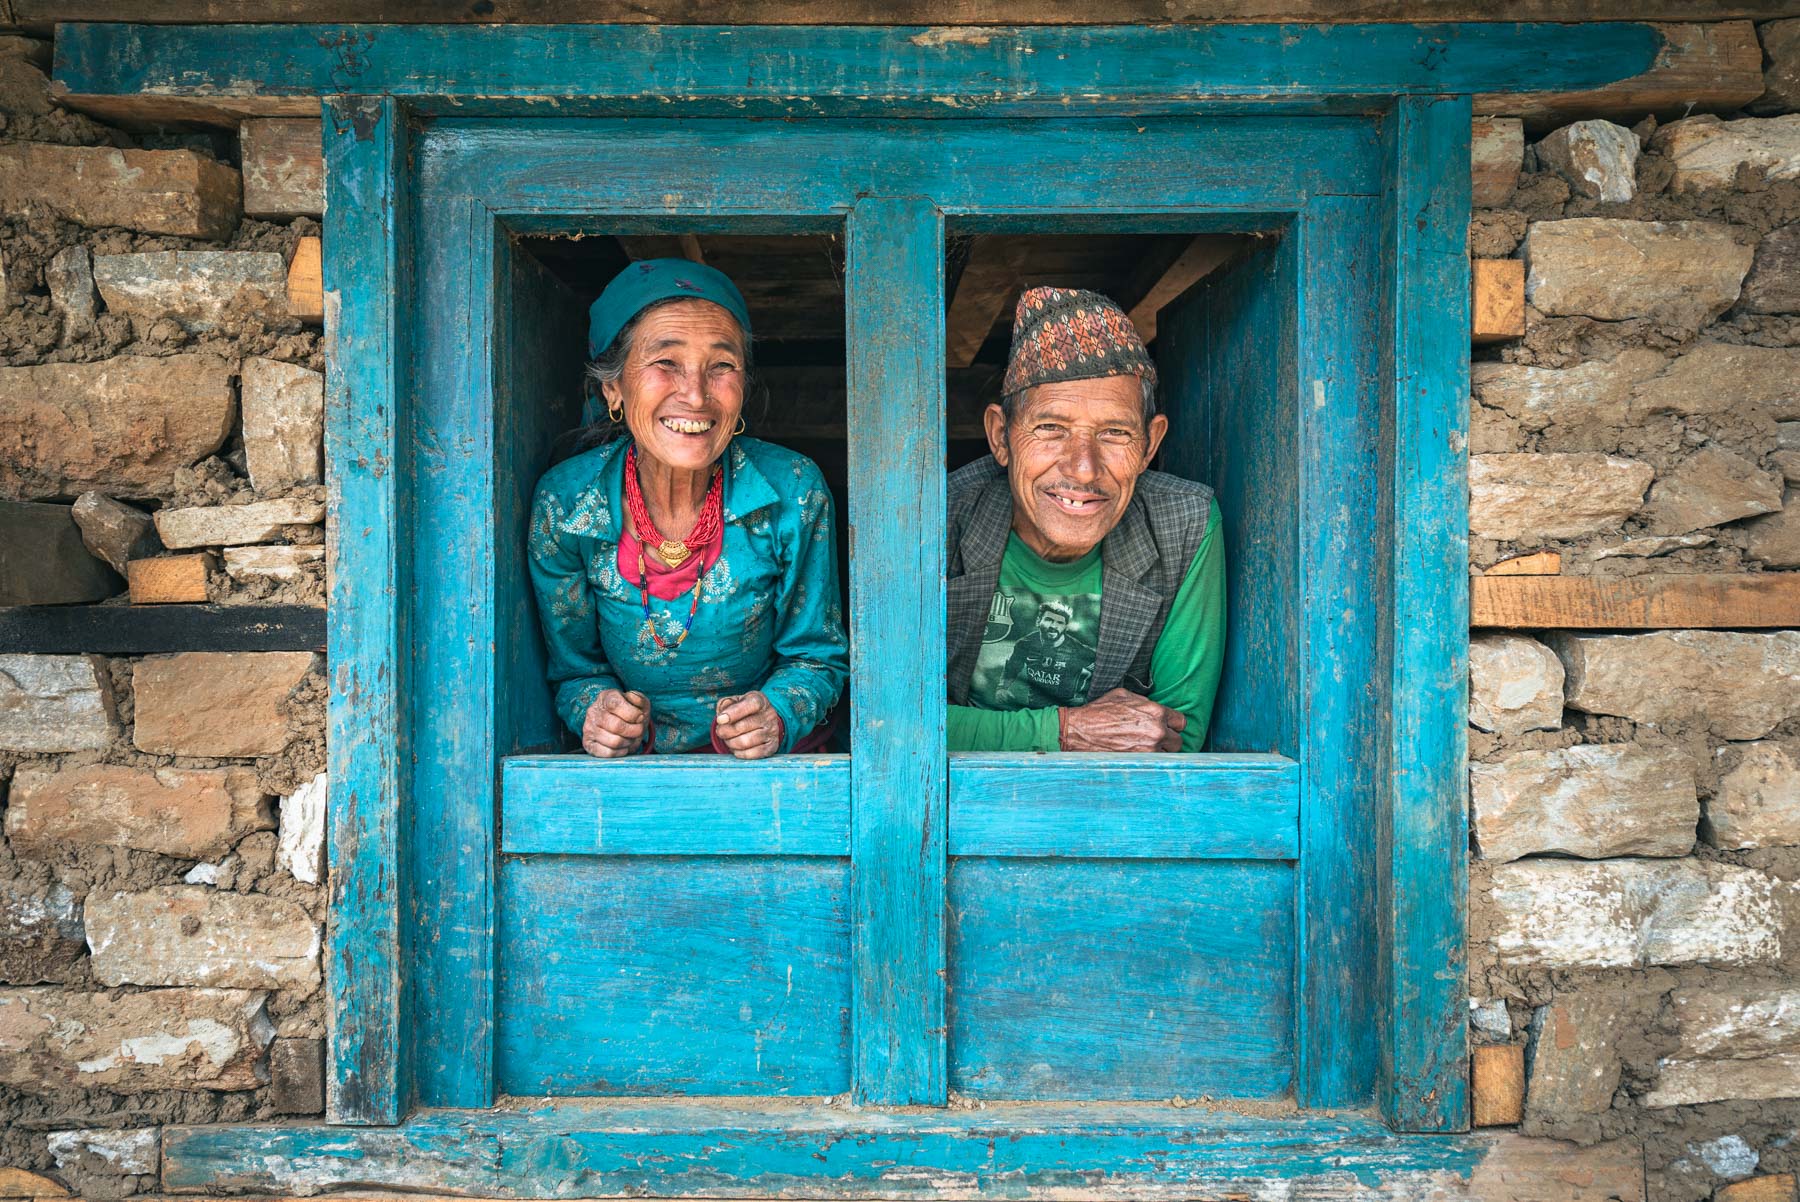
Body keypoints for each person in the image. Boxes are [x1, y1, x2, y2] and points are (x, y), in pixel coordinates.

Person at [529, 259, 848, 758]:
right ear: (613, 387)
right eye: (666, 363)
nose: (696, 395)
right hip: (632, 773)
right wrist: (598, 711)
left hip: (773, 771)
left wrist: (777, 714)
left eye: (721, 366)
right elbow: (575, 671)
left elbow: (817, 657)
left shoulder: (793, 491)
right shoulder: (567, 504)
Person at [947, 286, 1225, 753]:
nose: (1082, 469)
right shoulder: (933, 520)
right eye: (1051, 429)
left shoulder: (1186, 526)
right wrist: (1064, 730)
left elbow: (1175, 739)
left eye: (1115, 433)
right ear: (1001, 437)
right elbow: (889, 723)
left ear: (1150, 446)